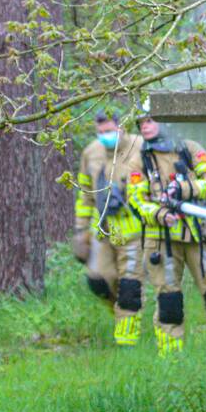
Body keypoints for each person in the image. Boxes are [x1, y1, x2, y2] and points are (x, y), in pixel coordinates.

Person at [126, 104, 206, 356]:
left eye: (150, 120)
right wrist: (161, 214)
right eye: (141, 123)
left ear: (166, 121)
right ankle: (171, 359)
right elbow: (136, 200)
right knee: (169, 301)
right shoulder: (139, 160)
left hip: (198, 235)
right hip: (161, 241)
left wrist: (185, 189)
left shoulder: (190, 149)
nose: (145, 126)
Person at [73, 111, 147, 346]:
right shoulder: (91, 153)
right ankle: (119, 313)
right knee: (98, 280)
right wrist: (80, 229)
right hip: (103, 230)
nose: (105, 136)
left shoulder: (140, 146)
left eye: (110, 131)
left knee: (130, 286)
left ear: (121, 128)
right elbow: (85, 193)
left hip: (134, 230)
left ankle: (127, 342)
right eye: (101, 132)